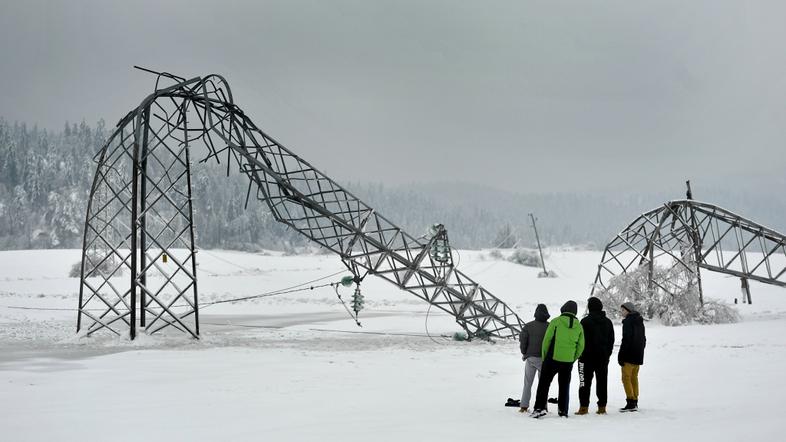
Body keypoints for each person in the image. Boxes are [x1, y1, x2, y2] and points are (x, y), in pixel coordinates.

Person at [530, 300, 585, 419]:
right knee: (564, 385)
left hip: (552, 358)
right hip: (568, 360)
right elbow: (581, 346)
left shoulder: (556, 322)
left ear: (563, 309)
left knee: (544, 384)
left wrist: (545, 357)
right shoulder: (579, 326)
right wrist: (572, 358)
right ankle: (563, 411)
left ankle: (539, 408)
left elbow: (546, 341)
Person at [575, 297, 614, 415]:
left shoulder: (584, 321)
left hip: (585, 358)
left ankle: (583, 407)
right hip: (602, 358)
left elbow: (579, 340)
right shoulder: (608, 322)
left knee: (583, 383)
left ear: (590, 307)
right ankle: (602, 407)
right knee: (602, 382)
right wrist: (607, 354)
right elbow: (611, 340)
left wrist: (579, 354)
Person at [518, 304, 550, 413]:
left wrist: (524, 353)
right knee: (543, 385)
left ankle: (524, 406)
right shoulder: (550, 326)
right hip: (544, 359)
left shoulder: (528, 326)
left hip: (530, 358)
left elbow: (523, 341)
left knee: (527, 383)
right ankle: (544, 406)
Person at [618, 301, 646, 412]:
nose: (621, 312)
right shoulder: (639, 321)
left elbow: (626, 340)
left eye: (623, 310)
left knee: (626, 378)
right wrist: (640, 351)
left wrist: (621, 355)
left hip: (629, 355)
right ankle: (635, 400)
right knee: (634, 378)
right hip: (638, 354)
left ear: (629, 310)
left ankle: (630, 402)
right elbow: (643, 339)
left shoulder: (628, 322)